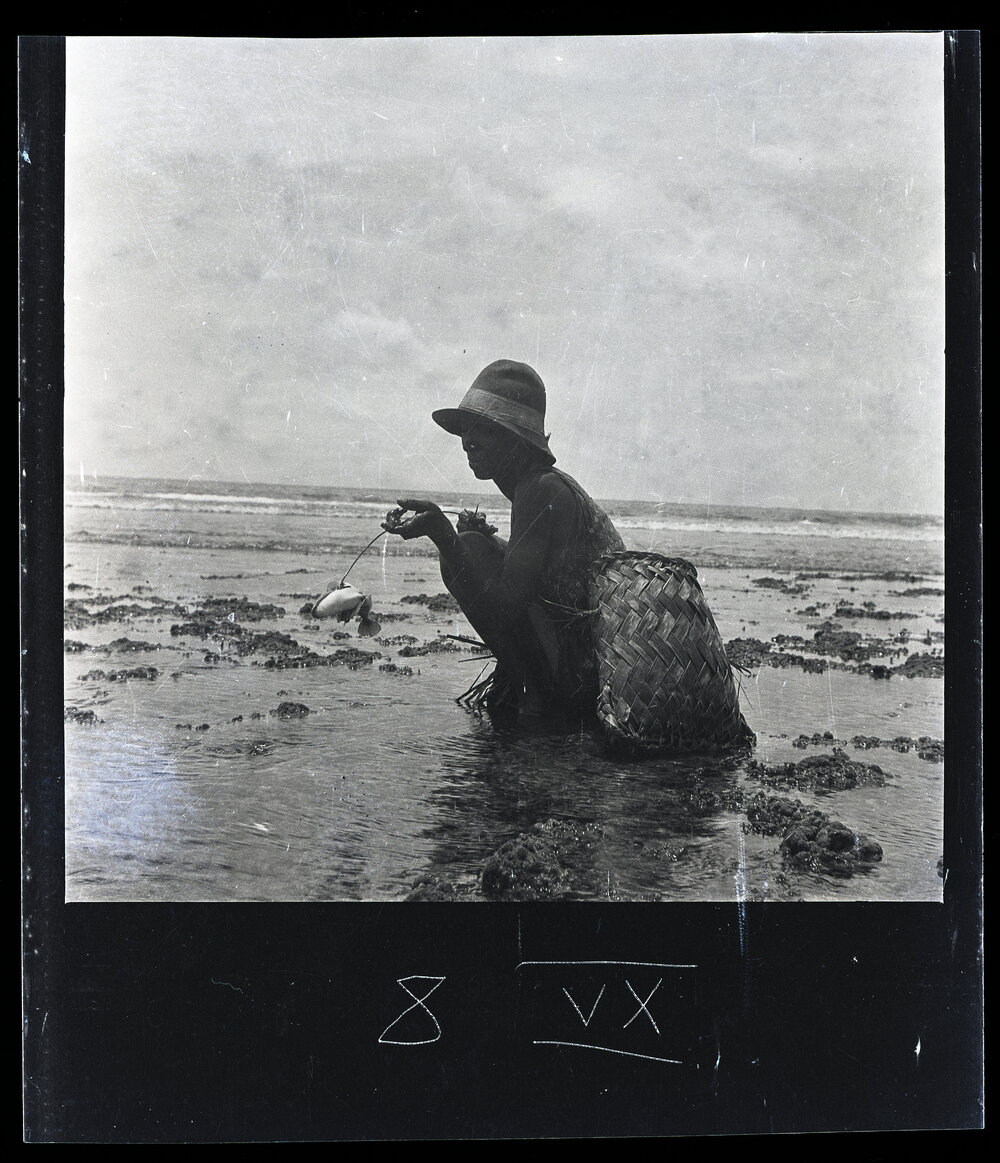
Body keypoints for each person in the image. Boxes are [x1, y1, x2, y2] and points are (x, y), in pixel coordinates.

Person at [382, 359, 625, 719]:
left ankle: (535, 699)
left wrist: (444, 536)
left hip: (582, 677)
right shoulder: (539, 485)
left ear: (514, 439)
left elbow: (508, 605)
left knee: (467, 549)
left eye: (481, 430)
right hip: (586, 663)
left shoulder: (540, 490)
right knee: (473, 544)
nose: (467, 442)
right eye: (465, 430)